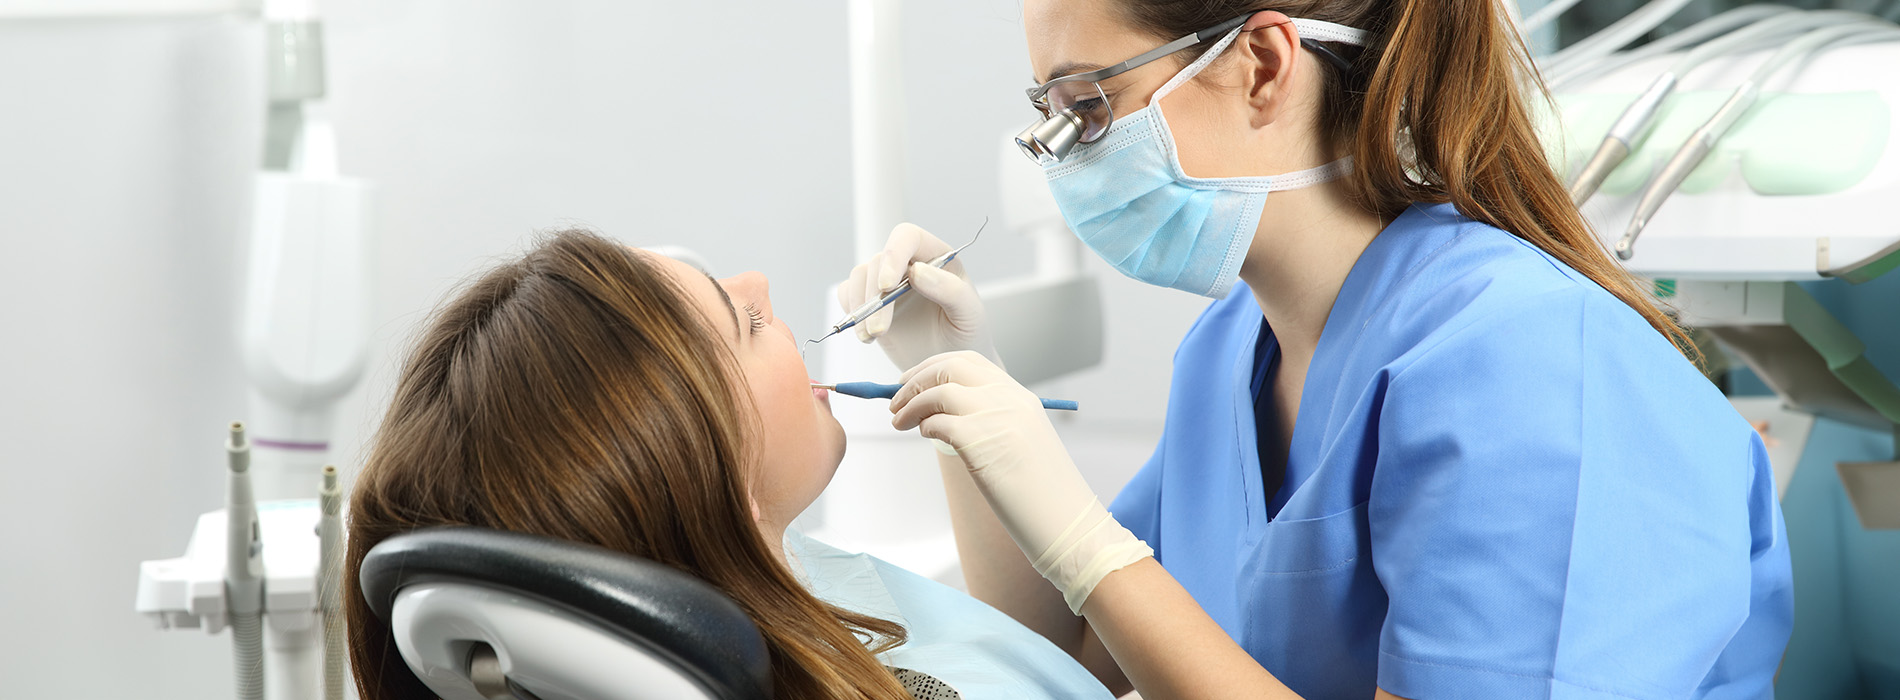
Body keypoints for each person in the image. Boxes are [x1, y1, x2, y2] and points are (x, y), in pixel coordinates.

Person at [839, 1, 1794, 699]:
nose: (1064, 157)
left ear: (1261, 62)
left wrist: (1093, 550)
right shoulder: (1227, 352)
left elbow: (1099, 586)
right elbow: (1058, 650)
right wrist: (963, 391)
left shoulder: (1532, 364)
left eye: (1088, 108)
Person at [343, 230, 1112, 700]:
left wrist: (953, 382)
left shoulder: (767, 583)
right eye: (744, 322)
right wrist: (1096, 555)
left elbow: (1013, 657)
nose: (761, 286)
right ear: (717, 488)